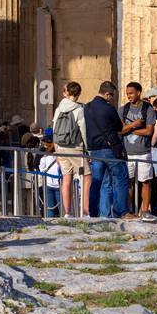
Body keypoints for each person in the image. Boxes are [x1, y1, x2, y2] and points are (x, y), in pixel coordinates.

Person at [85, 80, 129, 218]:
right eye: (112, 96)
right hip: (109, 148)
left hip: (94, 149)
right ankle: (120, 211)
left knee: (98, 181)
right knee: (121, 177)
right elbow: (119, 127)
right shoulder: (108, 108)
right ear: (107, 94)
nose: (113, 99)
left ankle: (94, 213)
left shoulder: (87, 107)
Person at [52, 81, 89, 217]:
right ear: (79, 93)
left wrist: (56, 150)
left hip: (61, 147)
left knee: (67, 178)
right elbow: (83, 130)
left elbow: (55, 130)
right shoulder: (79, 109)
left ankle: (68, 212)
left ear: (66, 92)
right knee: (87, 176)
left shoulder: (58, 109)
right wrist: (88, 149)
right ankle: (85, 211)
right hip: (75, 147)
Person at [120, 81, 155, 216]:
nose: (128, 96)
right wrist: (134, 124)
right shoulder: (123, 109)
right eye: (127, 94)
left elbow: (149, 131)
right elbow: (120, 130)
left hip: (143, 151)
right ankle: (128, 210)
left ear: (139, 93)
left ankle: (145, 210)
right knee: (128, 182)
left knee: (145, 181)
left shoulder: (148, 108)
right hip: (127, 152)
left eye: (131, 93)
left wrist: (130, 130)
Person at [36, 129, 62, 217]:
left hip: (50, 184)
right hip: (56, 184)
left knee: (51, 209)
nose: (46, 145)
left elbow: (40, 168)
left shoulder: (44, 155)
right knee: (58, 209)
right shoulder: (60, 154)